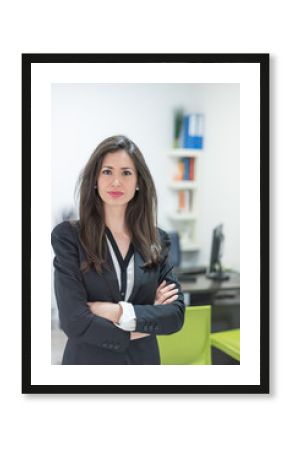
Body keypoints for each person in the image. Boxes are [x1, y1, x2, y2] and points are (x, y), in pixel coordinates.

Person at [51, 135, 185, 364]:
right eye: (107, 172)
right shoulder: (69, 237)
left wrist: (117, 313)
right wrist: (146, 318)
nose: (116, 182)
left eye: (126, 173)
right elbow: (73, 321)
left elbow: (175, 316)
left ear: (138, 181)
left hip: (143, 364)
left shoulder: (157, 240)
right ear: (95, 178)